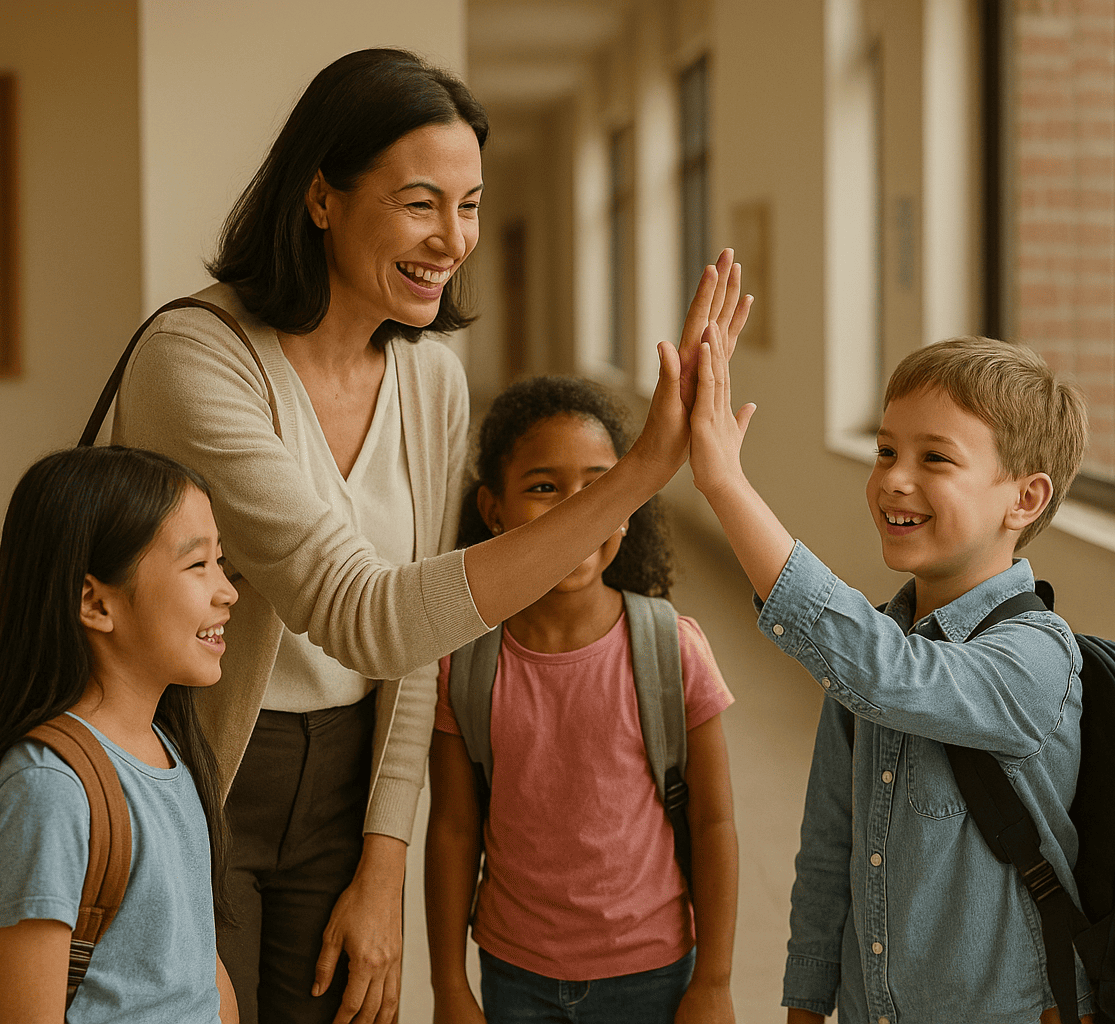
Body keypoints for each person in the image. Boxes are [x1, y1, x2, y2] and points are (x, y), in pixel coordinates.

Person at [107, 47, 749, 1024]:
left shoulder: (430, 378)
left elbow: (422, 634)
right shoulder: (197, 359)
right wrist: (633, 478)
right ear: (321, 195)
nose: (454, 240)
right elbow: (365, 610)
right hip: (190, 761)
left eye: (471, 204)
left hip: (347, 772)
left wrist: (383, 858)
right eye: (420, 203)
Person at [686, 332, 1091, 1022]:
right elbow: (830, 848)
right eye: (885, 451)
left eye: (934, 457)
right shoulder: (878, 645)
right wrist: (807, 1004)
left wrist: (726, 484)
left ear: (1024, 499)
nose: (893, 479)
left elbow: (890, 675)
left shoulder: (1037, 658)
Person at [425, 376, 739, 1024]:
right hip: (515, 975)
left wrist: (714, 981)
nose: (576, 512)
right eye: (544, 488)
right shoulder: (467, 662)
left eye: (598, 488)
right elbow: (454, 830)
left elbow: (713, 823)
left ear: (627, 503)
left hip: (652, 973)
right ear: (493, 508)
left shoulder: (670, 649)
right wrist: (449, 986)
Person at [0, 445, 239, 1023]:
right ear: (95, 602)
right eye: (197, 565)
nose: (227, 591)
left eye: (221, 562)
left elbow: (199, 974)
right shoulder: (46, 789)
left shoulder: (168, 751)